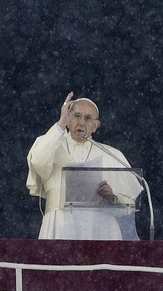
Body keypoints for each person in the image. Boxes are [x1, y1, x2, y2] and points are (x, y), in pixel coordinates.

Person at [26, 92, 142, 240]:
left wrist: (112, 199)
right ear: (68, 120)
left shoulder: (113, 155)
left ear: (95, 126)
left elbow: (128, 207)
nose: (81, 123)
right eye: (76, 116)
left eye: (88, 118)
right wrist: (60, 123)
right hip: (59, 228)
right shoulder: (50, 145)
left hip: (102, 231)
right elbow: (38, 161)